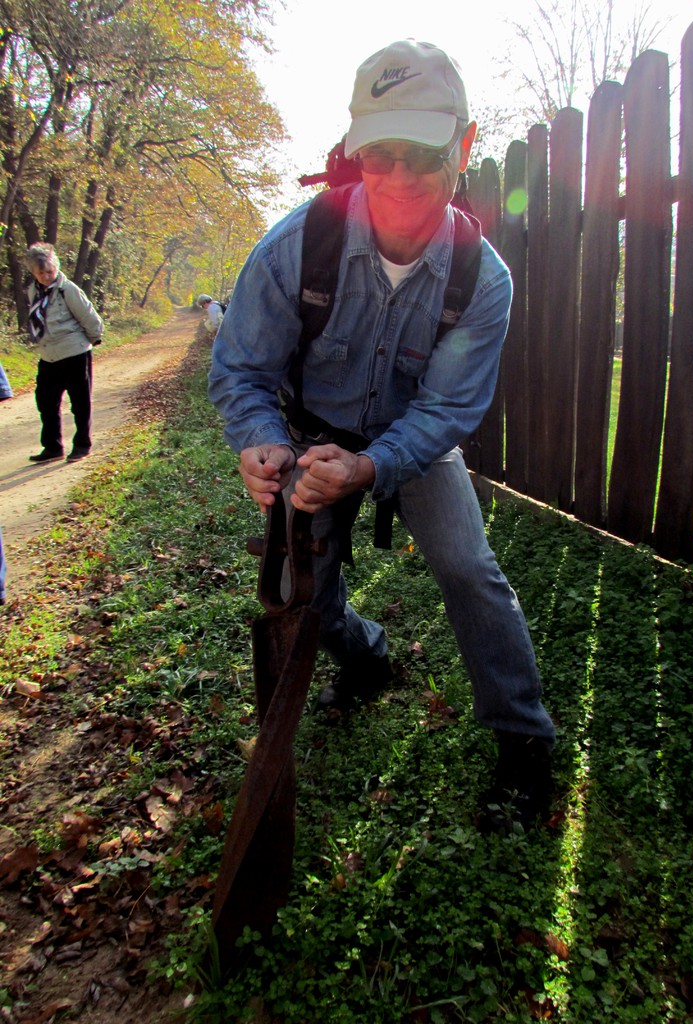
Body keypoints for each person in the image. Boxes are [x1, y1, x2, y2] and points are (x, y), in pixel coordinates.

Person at [208, 39, 556, 828]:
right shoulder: (296, 244)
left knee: (469, 567)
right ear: (356, 150)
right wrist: (260, 439)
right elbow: (242, 369)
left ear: (463, 147)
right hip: (306, 435)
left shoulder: (483, 278)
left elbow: (446, 413)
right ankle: (366, 661)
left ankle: (524, 741)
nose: (401, 177)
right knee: (310, 600)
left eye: (425, 153)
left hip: (413, 440)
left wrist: (369, 466)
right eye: (382, 153)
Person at [25, 243, 103, 463]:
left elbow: (88, 315)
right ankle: (52, 447)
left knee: (80, 401)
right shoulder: (34, 291)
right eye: (41, 273)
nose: (46, 276)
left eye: (50, 271)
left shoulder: (67, 289)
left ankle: (82, 445)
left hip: (74, 351)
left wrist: (94, 338)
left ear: (56, 268)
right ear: (34, 272)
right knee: (45, 401)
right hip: (48, 354)